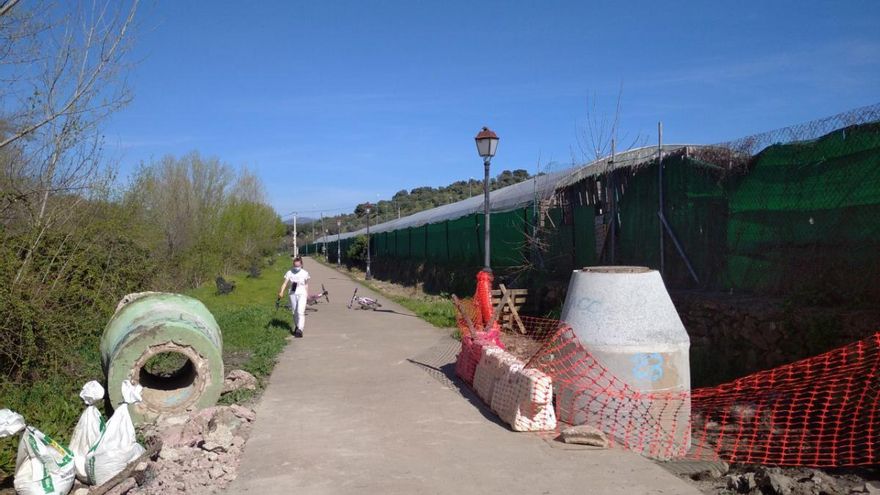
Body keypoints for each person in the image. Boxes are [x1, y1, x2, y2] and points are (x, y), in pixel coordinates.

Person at [278, 256, 310, 338]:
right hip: (292, 293)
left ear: (301, 265)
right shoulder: (289, 272)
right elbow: (285, 283)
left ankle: (300, 330)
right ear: (293, 265)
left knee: (300, 311)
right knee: (294, 312)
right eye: (295, 266)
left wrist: (307, 294)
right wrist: (281, 292)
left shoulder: (305, 273)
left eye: (298, 266)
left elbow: (306, 284)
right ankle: (297, 326)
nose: (296, 268)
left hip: (302, 293)